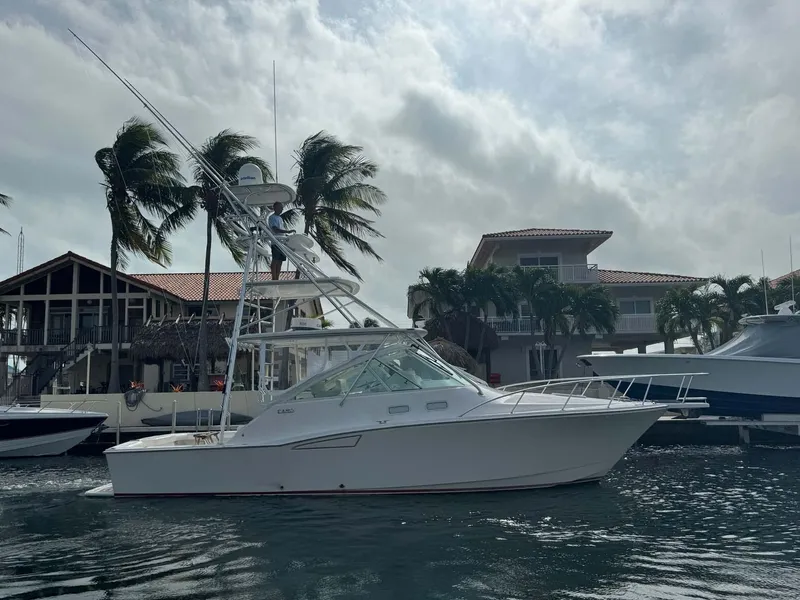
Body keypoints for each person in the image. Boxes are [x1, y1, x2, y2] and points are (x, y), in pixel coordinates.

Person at [268, 201, 294, 280]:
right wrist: (287, 231)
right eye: (280, 208)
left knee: (280, 261)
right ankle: (274, 278)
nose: (281, 209)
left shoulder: (280, 218)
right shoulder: (272, 217)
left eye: (282, 208)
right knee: (275, 260)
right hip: (276, 241)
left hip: (282, 241)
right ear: (275, 208)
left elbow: (280, 228)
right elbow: (275, 229)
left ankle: (277, 278)